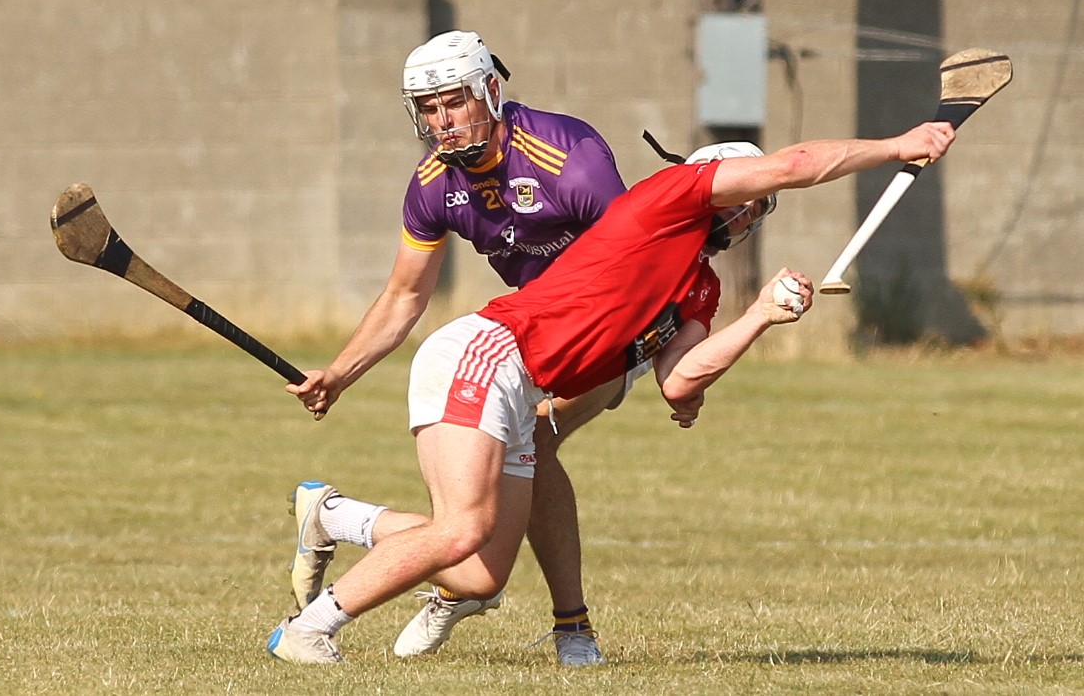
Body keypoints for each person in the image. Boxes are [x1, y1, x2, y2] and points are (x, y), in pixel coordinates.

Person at [266, 116, 957, 664]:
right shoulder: (671, 196)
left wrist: (761, 317)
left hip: (523, 379)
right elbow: (796, 165)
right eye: (748, 199)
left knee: (478, 575)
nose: (749, 216)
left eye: (758, 211)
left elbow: (680, 381)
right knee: (463, 527)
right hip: (487, 350)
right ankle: (310, 630)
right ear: (720, 183)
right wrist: (900, 144)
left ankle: (334, 517)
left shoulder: (701, 283)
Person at [283, 29, 656, 667]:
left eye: (453, 103)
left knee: (523, 460)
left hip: (600, 329)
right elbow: (405, 296)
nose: (441, 122)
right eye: (427, 109)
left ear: (490, 90)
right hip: (526, 340)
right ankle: (340, 523)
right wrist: (341, 372)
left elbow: (633, 258)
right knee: (478, 562)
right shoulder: (432, 183)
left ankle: (571, 628)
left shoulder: (570, 157)